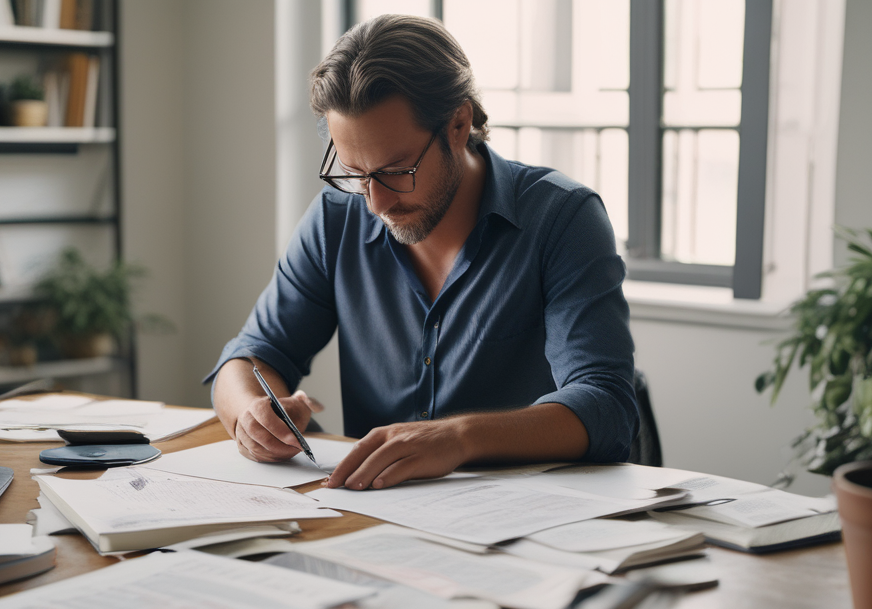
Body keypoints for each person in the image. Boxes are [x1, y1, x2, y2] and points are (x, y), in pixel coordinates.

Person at [207, 14, 638, 491]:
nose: (376, 202)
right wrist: (251, 413)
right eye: (353, 172)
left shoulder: (563, 218)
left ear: (459, 123)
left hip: (529, 521)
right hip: (374, 515)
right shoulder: (336, 217)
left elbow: (608, 406)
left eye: (396, 171)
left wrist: (458, 437)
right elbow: (248, 356)